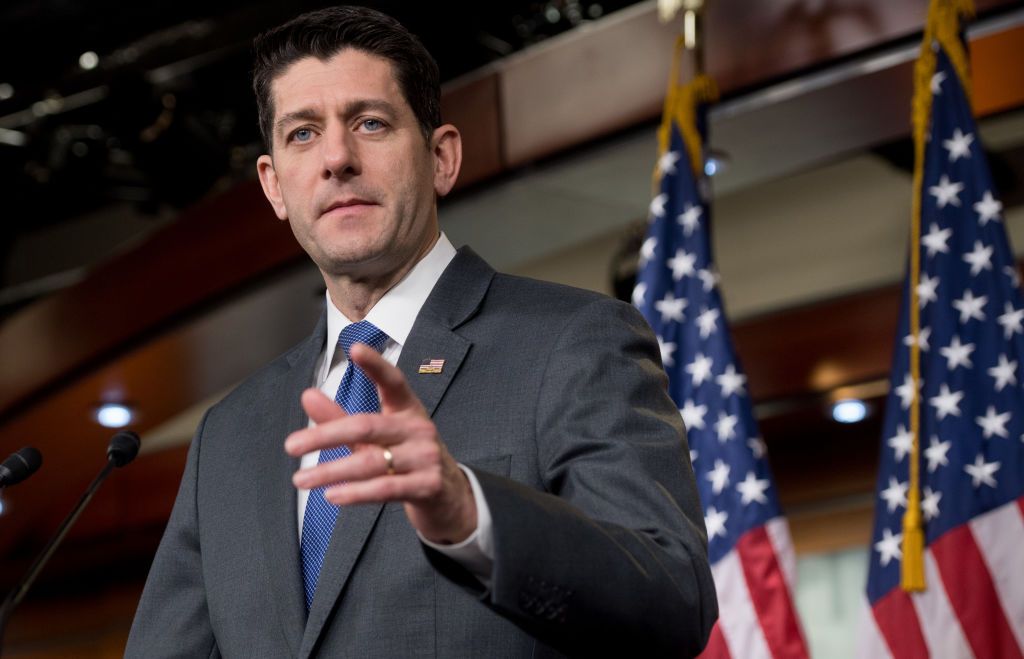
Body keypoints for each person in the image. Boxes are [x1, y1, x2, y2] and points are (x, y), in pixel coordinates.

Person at [126, 6, 716, 658]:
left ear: (441, 157)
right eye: (302, 134)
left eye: (370, 123)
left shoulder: (572, 342)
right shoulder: (229, 433)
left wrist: (472, 513)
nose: (336, 159)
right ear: (273, 186)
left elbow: (674, 598)